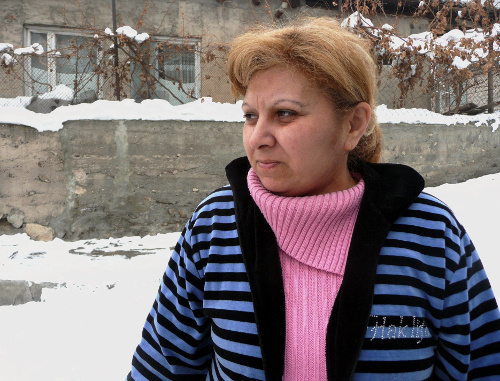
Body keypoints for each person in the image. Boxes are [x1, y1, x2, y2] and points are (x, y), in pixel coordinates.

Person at [127, 17, 500, 380]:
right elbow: (162, 368)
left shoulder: (429, 233)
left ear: (353, 124)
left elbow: (483, 366)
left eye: (285, 114)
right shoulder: (215, 225)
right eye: (251, 116)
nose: (258, 137)